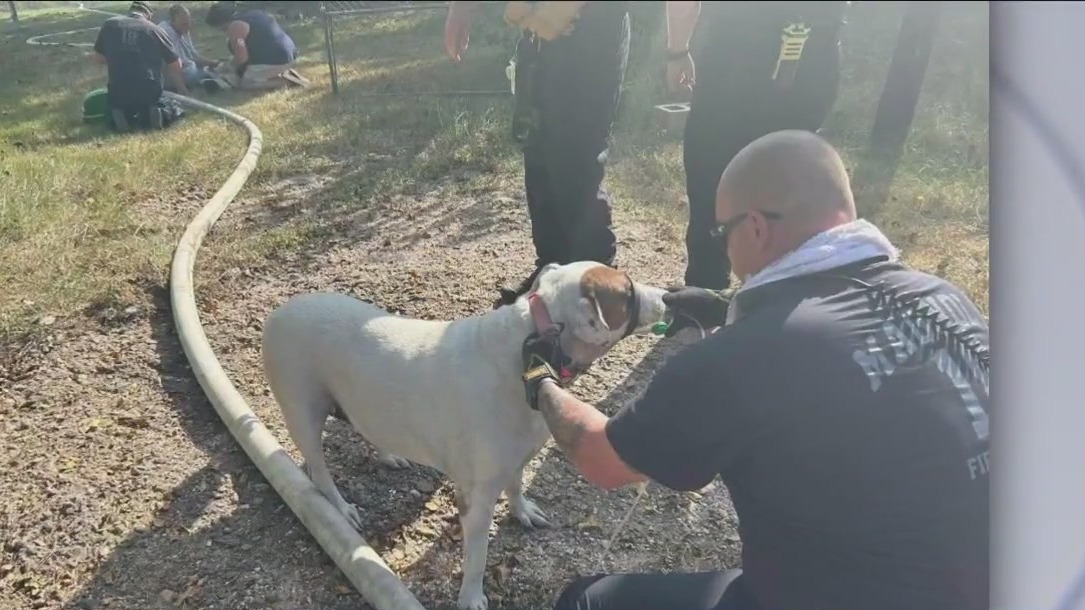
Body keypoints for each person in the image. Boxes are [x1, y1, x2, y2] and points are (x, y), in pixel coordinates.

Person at [519, 130, 990, 610]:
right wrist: (727, 306)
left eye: (722, 233)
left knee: (586, 601)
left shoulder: (739, 360)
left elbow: (603, 459)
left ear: (757, 228)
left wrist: (543, 383)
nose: (723, 248)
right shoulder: (945, 299)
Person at [663, 2, 850, 333]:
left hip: (740, 47)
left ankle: (707, 294)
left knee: (712, 173)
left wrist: (677, 50)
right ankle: (775, 308)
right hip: (813, 49)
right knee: (789, 181)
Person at [444, 1, 631, 309]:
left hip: (592, 29)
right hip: (541, 35)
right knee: (540, 153)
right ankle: (551, 274)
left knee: (576, 159)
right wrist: (461, 8)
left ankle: (597, 289)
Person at [92, 1, 188, 132]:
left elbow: (99, 59)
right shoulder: (155, 30)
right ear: (148, 15)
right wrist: (181, 88)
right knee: (171, 106)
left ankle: (121, 119)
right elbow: (176, 65)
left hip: (119, 92)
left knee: (118, 106)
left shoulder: (110, 25)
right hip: (148, 92)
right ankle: (157, 115)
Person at [204, 1, 308, 91]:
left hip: (279, 59)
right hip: (291, 54)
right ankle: (281, 72)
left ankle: (284, 82)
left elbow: (242, 59)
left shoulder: (235, 26)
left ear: (220, 23)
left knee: (246, 83)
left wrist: (228, 67)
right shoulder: (254, 13)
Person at [157, 4, 223, 93]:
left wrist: (214, 63)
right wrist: (182, 88)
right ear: (172, 21)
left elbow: (192, 54)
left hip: (185, 69)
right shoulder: (165, 33)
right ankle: (204, 81)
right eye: (184, 24)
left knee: (215, 69)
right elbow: (173, 65)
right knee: (206, 72)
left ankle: (204, 80)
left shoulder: (181, 28)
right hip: (171, 74)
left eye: (189, 22)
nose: (187, 26)